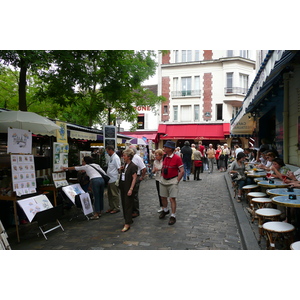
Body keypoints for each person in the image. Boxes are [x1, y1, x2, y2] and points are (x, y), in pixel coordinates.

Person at [159, 141, 184, 225]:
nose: (164, 148)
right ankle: (165, 210)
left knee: (172, 198)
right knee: (163, 197)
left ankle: (173, 215)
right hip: (164, 179)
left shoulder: (177, 158)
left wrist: (177, 180)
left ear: (170, 149)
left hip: (173, 180)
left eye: (165, 147)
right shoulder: (165, 156)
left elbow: (182, 171)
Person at [119, 148, 138, 232]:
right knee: (124, 203)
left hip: (128, 187)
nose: (123, 157)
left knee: (128, 205)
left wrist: (131, 189)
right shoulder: (126, 165)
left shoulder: (133, 166)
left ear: (129, 157)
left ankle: (127, 223)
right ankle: (128, 219)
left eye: (125, 156)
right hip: (123, 186)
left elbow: (134, 178)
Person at [129, 145, 146, 218]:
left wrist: (142, 177)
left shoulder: (137, 158)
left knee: (135, 194)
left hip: (137, 176)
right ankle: (132, 209)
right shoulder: (132, 158)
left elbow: (144, 168)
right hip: (131, 177)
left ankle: (136, 211)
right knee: (132, 194)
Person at [105, 145, 121, 214]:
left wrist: (118, 178)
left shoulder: (116, 158)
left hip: (114, 178)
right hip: (110, 178)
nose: (107, 152)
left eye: (107, 151)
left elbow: (119, 168)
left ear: (111, 150)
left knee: (114, 194)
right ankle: (111, 207)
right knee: (110, 194)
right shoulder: (111, 157)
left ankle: (116, 207)